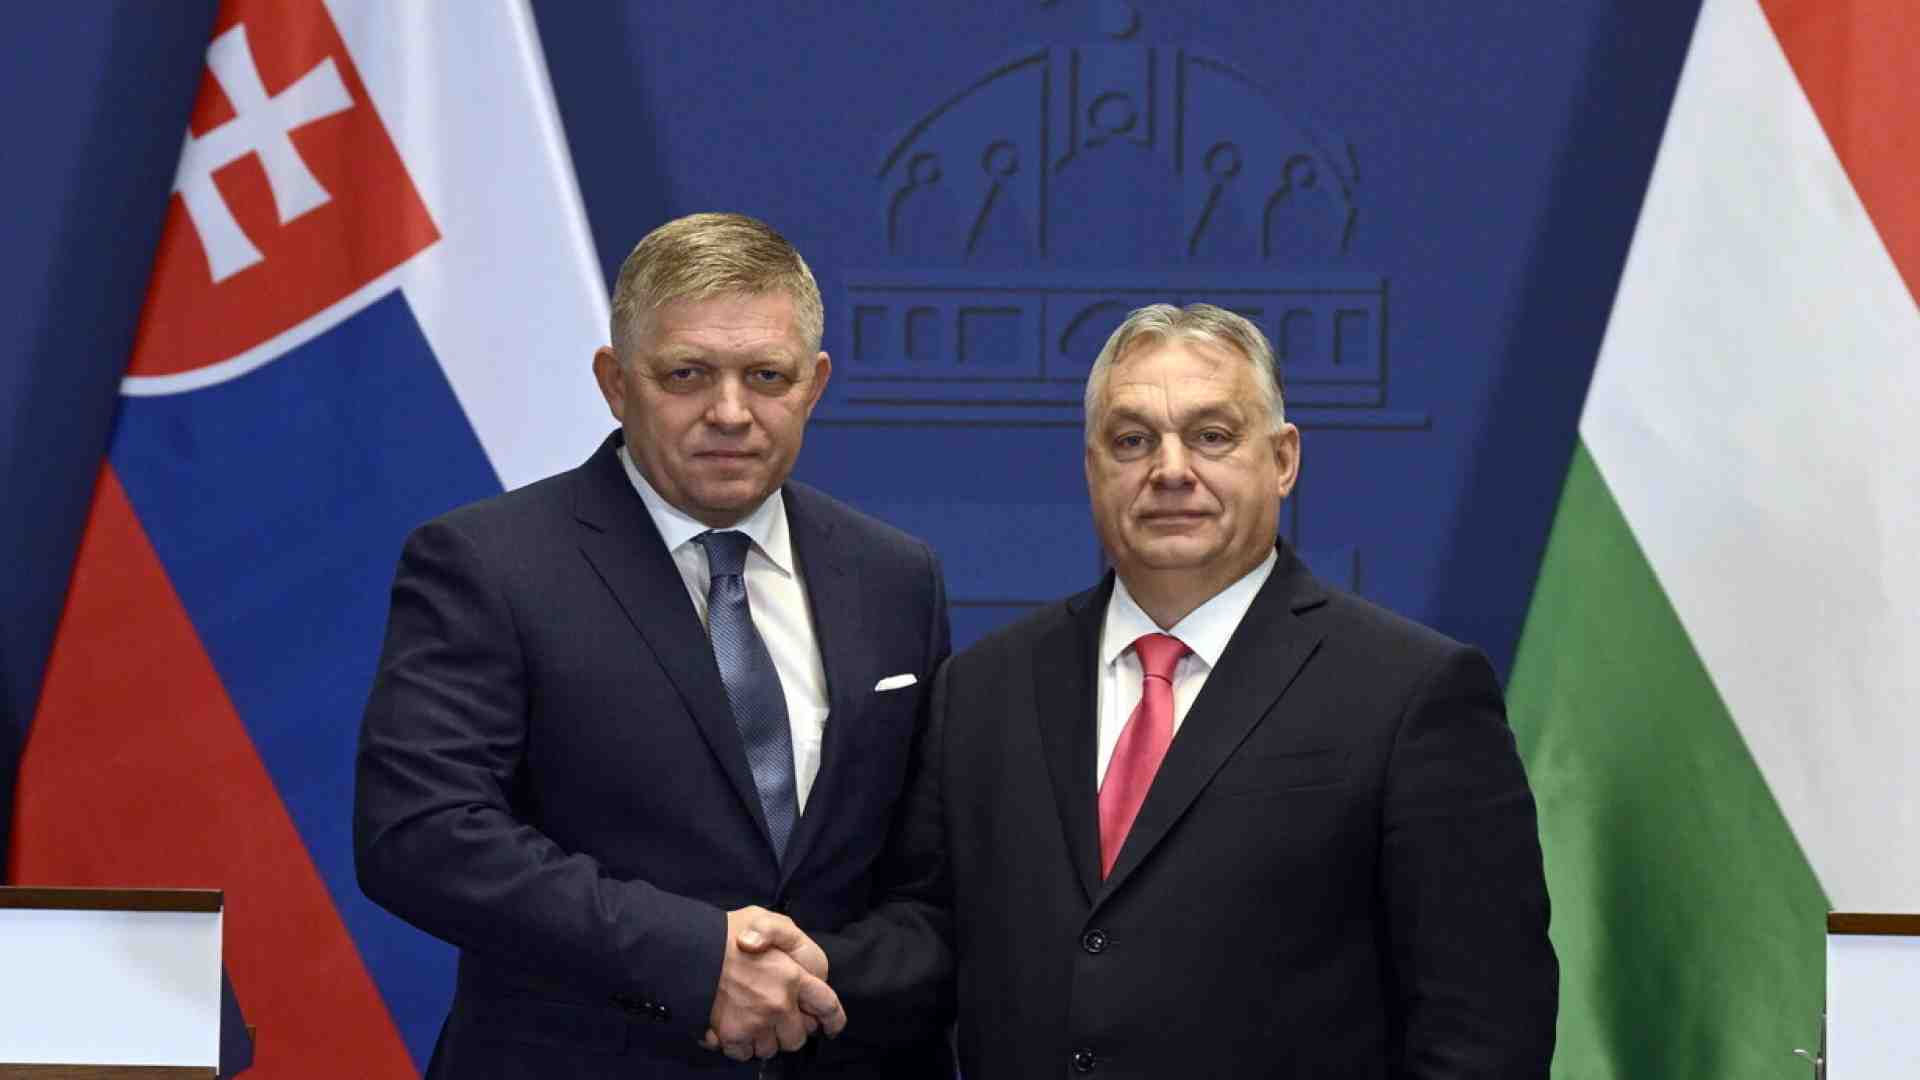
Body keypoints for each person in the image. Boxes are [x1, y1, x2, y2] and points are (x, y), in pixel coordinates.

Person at [769, 302, 1557, 1076]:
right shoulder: (983, 688)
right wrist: (810, 973)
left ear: (1283, 459)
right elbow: (935, 933)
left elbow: (1483, 1030)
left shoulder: (1412, 692)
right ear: (1092, 468)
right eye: (1132, 440)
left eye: (1212, 436)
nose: (1171, 470)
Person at [355, 212, 953, 1078]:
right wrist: (697, 959)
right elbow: (422, 834)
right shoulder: (488, 564)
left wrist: (816, 977)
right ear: (614, 382)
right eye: (687, 374)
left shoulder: (895, 577)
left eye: (766, 376)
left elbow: (933, 882)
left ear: (815, 384)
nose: (730, 412)